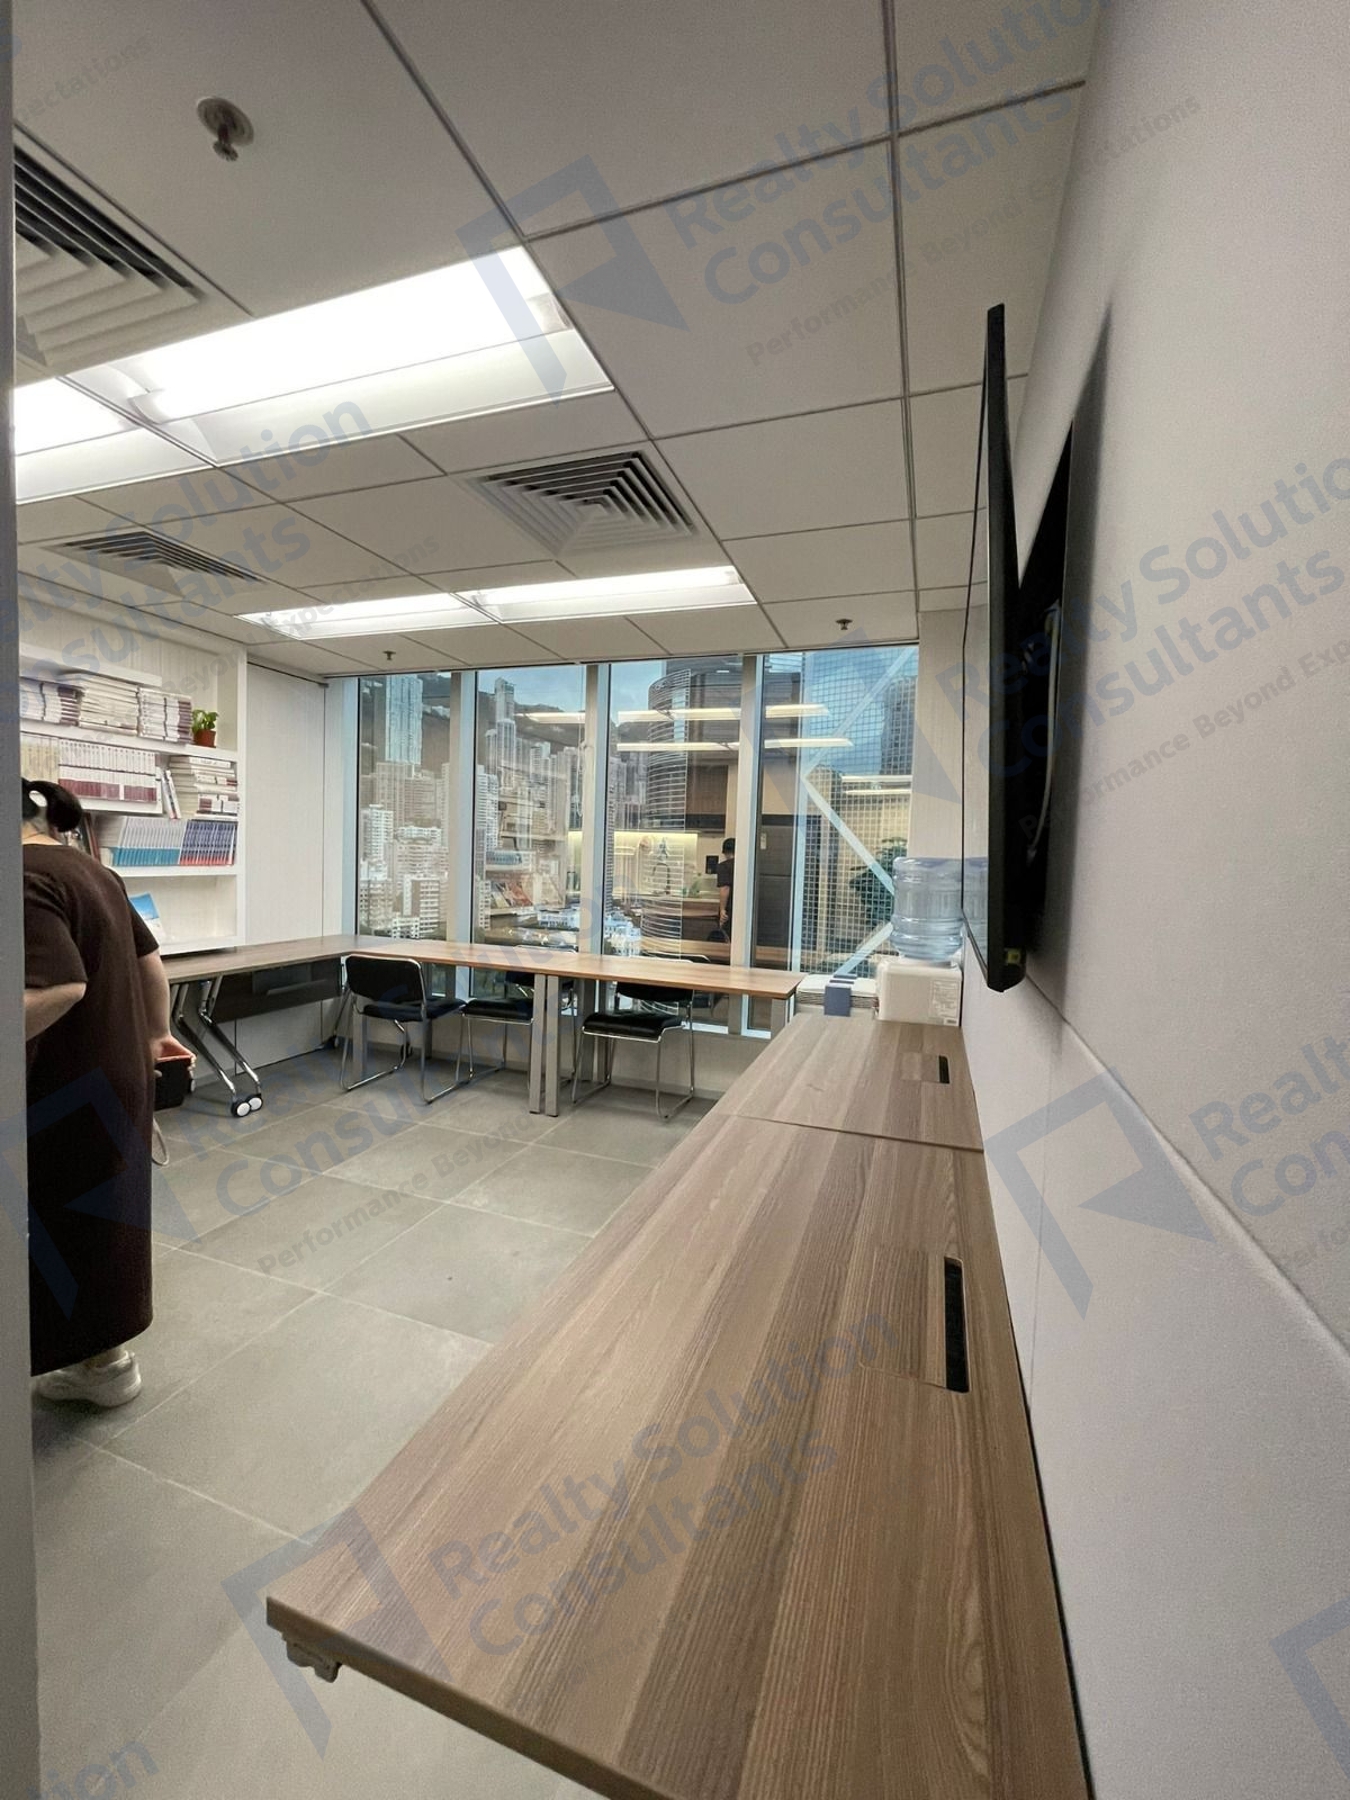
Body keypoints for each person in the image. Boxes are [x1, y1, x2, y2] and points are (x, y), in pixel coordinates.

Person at [22, 780, 193, 1407]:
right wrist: (155, 1036)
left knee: (58, 1223)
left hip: (59, 1082)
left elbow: (57, 986)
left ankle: (89, 1362)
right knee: (102, 1220)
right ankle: (107, 1361)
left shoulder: (23, 877)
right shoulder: (95, 872)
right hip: (118, 1072)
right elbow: (151, 964)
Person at [716, 836, 736, 937]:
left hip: (730, 908)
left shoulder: (723, 866)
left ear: (725, 852)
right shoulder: (744, 865)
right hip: (742, 907)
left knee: (727, 937)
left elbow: (725, 889)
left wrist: (722, 910)